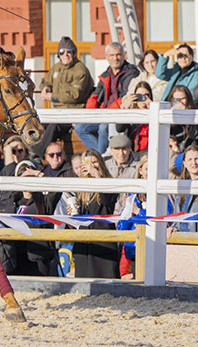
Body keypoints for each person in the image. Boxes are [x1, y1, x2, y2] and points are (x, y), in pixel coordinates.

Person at [68, 149, 119, 278]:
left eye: (95, 162)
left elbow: (108, 203)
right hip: (84, 244)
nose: (92, 166)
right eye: (88, 163)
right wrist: (73, 216)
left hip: (103, 242)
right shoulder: (80, 188)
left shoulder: (110, 183)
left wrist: (97, 176)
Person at [80, 42, 137, 154]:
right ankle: (100, 155)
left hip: (119, 114)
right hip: (103, 113)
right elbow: (95, 95)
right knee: (81, 128)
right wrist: (90, 113)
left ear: (124, 56)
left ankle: (101, 159)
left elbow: (125, 96)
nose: (115, 58)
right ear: (107, 57)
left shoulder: (131, 73)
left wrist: (108, 112)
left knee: (102, 128)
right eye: (112, 55)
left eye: (118, 54)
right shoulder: (106, 74)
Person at [39, 36, 93, 153]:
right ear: (58, 54)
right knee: (39, 123)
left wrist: (52, 97)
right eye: (62, 52)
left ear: (74, 53)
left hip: (74, 113)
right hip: (57, 112)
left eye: (69, 51)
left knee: (53, 126)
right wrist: (45, 88)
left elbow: (75, 95)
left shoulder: (80, 70)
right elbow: (45, 82)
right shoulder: (56, 68)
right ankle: (29, 151)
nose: (66, 55)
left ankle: (38, 155)